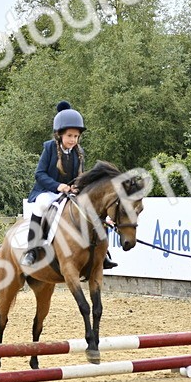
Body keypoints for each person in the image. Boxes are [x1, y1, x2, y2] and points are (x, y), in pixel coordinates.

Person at [22, 101, 116, 269]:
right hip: (48, 190)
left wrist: (77, 187)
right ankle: (32, 250)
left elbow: (81, 176)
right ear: (60, 135)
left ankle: (103, 252)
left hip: (70, 192)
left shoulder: (79, 152)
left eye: (76, 136)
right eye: (70, 136)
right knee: (42, 204)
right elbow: (39, 174)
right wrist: (59, 186)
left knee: (92, 207)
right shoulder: (49, 148)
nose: (73, 140)